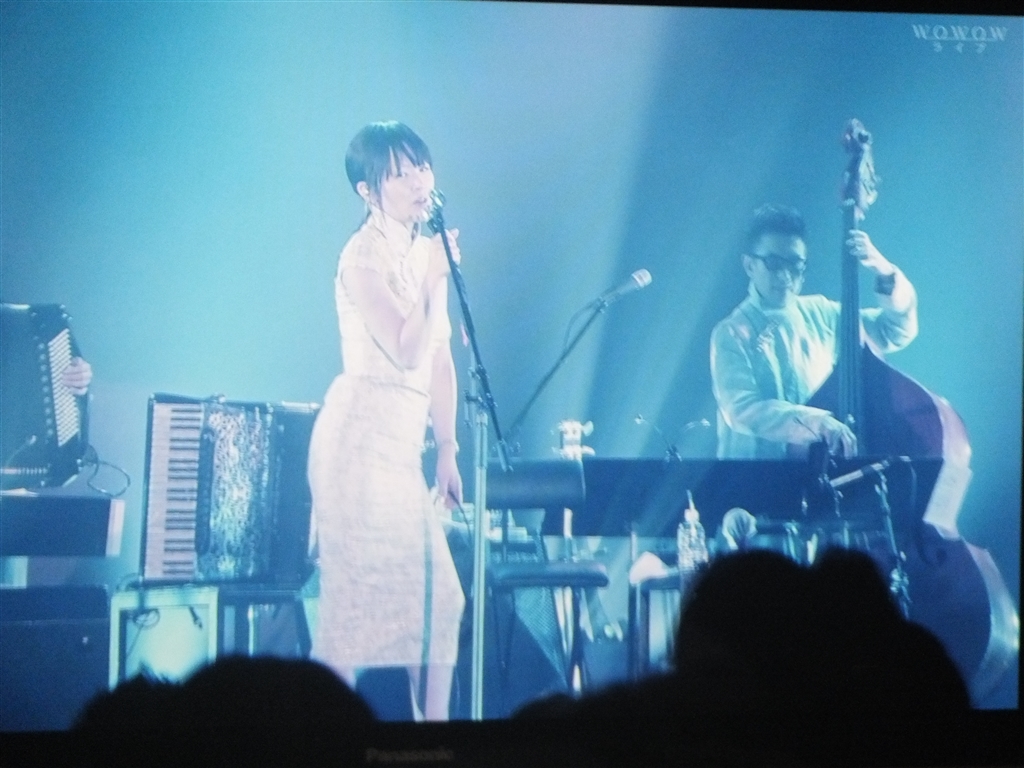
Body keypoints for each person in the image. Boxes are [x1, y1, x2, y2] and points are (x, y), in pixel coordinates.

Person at [306, 121, 466, 721]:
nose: (419, 181)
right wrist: (434, 275)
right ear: (368, 191)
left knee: (437, 603)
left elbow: (440, 357)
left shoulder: (423, 250)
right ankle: (321, 732)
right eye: (400, 173)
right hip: (358, 442)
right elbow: (405, 348)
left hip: (401, 450)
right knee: (353, 614)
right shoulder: (361, 257)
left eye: (421, 166)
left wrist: (447, 447)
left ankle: (433, 734)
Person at [710, 204, 918, 460]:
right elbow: (742, 410)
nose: (785, 276)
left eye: (795, 265)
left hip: (815, 470)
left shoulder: (822, 312)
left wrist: (884, 271)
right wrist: (817, 423)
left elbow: (893, 331)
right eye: (774, 263)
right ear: (749, 265)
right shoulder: (730, 332)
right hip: (753, 474)